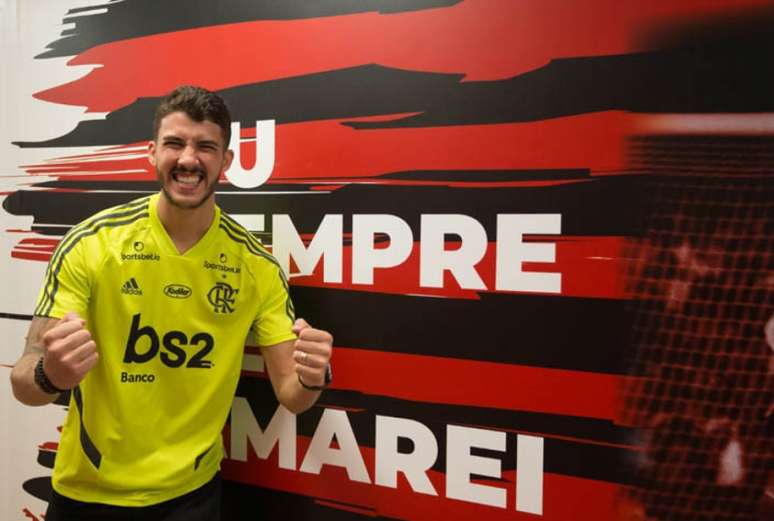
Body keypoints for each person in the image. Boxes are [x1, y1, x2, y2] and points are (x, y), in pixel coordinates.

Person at [9, 85, 333, 520]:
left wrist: (313, 377)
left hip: (190, 498)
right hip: (88, 493)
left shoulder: (257, 266)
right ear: (152, 153)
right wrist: (52, 374)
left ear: (227, 161)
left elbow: (293, 396)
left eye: (205, 146)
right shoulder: (91, 244)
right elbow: (23, 383)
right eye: (174, 143)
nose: (188, 159)